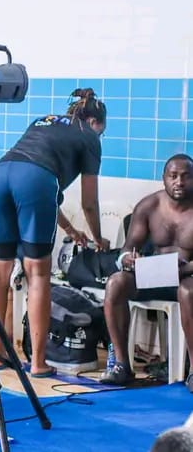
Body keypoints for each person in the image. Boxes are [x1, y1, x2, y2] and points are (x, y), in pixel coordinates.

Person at [0, 88, 110, 378]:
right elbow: (88, 202)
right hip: (35, 180)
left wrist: (70, 229)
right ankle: (38, 363)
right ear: (94, 122)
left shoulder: (45, 120)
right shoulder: (89, 137)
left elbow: (35, 183)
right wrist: (98, 237)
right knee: (37, 273)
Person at [101, 154, 193, 390]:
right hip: (154, 275)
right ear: (164, 179)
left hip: (187, 278)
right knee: (116, 284)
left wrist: (185, 268)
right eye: (173, 176)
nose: (179, 182)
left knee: (188, 291)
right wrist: (128, 259)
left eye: (186, 176)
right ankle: (121, 365)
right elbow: (127, 248)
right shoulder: (149, 206)